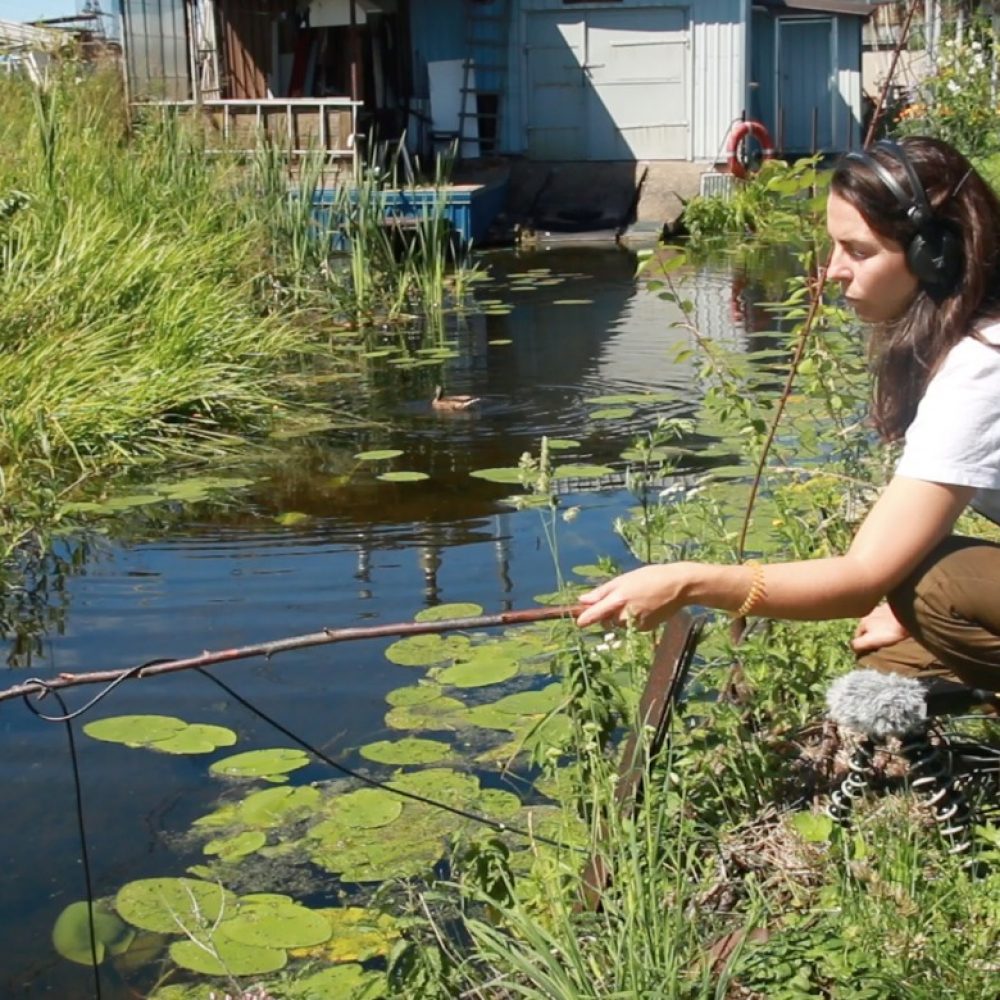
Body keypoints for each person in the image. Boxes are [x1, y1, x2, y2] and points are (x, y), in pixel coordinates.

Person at [576, 136, 1000, 699]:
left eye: (860, 251)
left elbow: (860, 580)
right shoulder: (971, 337)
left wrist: (689, 582)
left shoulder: (983, 363)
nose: (832, 273)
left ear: (936, 255)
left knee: (930, 586)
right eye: (832, 247)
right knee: (895, 662)